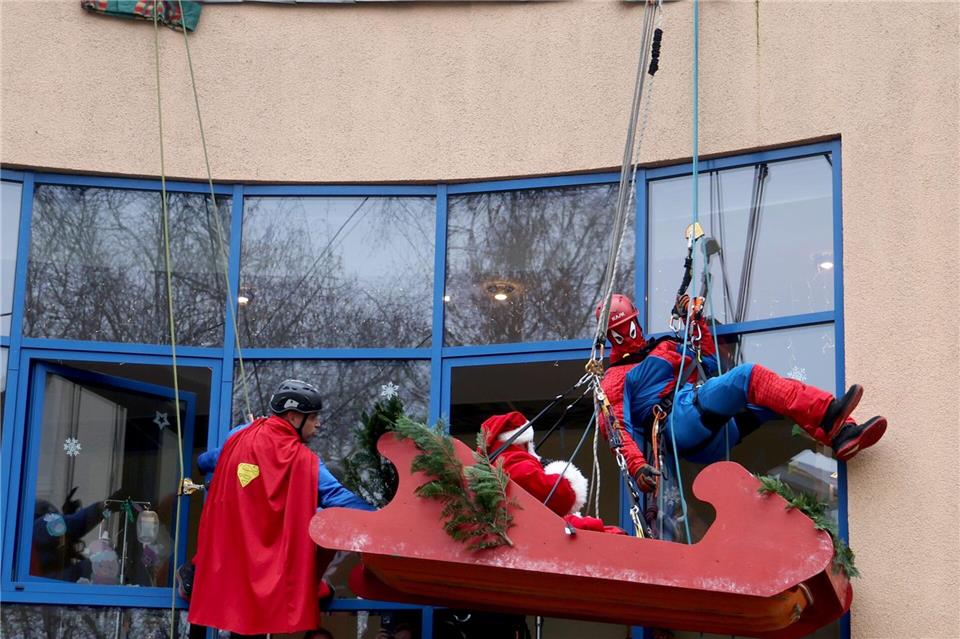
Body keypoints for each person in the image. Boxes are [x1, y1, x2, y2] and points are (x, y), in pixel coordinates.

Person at [596, 293, 888, 487]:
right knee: (747, 376)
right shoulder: (615, 378)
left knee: (775, 395)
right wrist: (637, 466)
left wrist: (694, 320)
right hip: (677, 422)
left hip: (708, 424)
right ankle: (828, 413)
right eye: (623, 330)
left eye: (632, 325)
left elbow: (708, 361)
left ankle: (842, 433)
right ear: (611, 337)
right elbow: (614, 425)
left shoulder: (665, 347)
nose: (631, 333)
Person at [188, 380, 374, 638]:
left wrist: (208, 472)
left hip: (231, 562)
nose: (318, 424)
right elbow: (337, 498)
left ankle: (193, 574)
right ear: (294, 416)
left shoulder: (239, 435)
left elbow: (207, 460)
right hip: (265, 566)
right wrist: (382, 518)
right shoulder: (303, 461)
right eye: (314, 417)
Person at [481, 412, 624, 534]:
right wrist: (567, 478)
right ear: (523, 442)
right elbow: (558, 496)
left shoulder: (494, 465)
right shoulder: (513, 461)